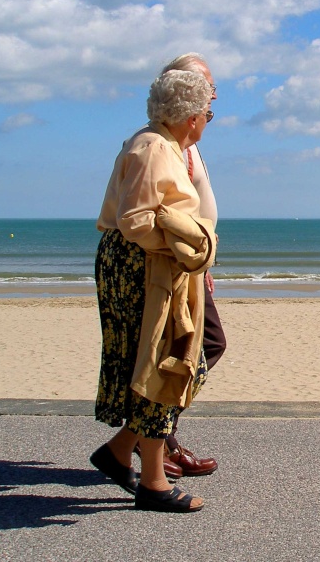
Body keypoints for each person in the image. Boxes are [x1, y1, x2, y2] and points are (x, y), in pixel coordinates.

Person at [91, 69, 216, 513]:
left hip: (143, 266)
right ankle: (153, 482)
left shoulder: (157, 143)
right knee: (166, 363)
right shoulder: (154, 148)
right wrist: (185, 245)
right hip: (142, 268)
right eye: (207, 113)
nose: (207, 121)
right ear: (190, 118)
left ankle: (121, 452)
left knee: (169, 362)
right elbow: (138, 220)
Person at [157, 53, 223, 479]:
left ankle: (161, 438)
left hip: (194, 265)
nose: (214, 96)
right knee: (195, 348)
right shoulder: (160, 145)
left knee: (195, 349)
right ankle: (153, 441)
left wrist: (205, 264)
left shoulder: (189, 144)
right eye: (207, 87)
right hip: (176, 266)